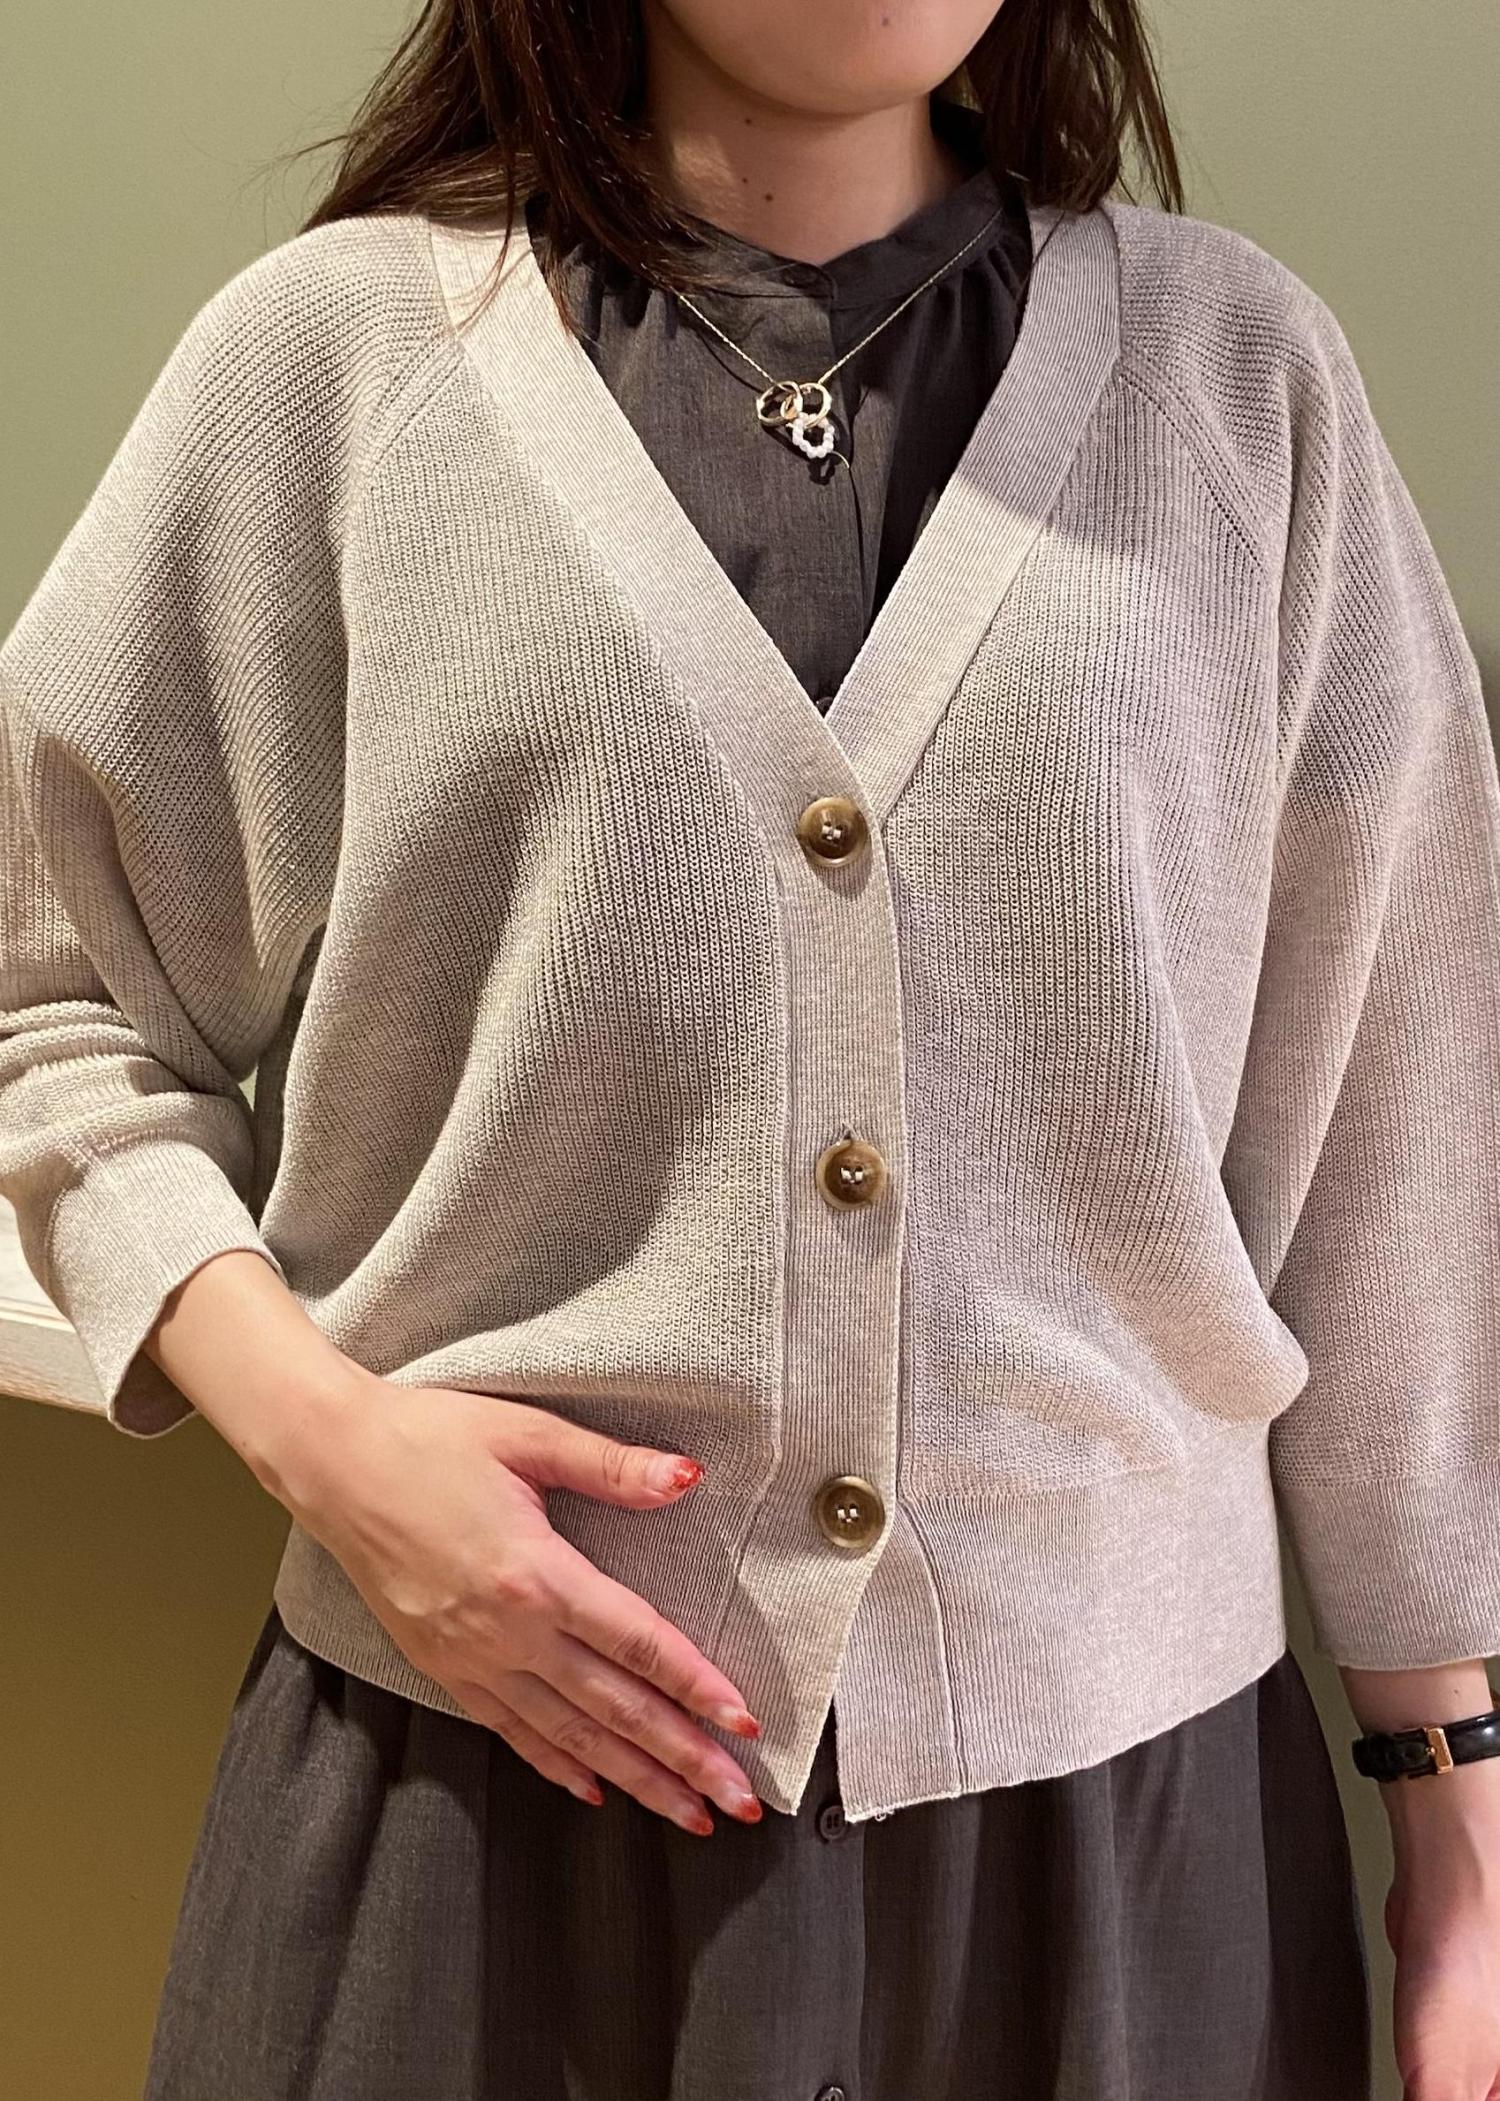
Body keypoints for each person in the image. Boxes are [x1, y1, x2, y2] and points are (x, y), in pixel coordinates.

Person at [3, 1, 1499, 2095]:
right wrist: (324, 1443)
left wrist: (1460, 1841)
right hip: (472, 1820)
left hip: (1130, 1867)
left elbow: (1399, 1135)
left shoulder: (1240, 385)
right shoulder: (336, 371)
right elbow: (46, 992)